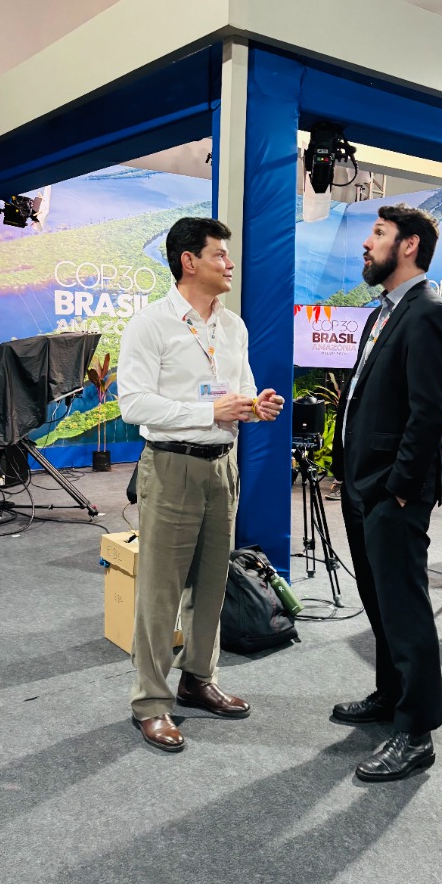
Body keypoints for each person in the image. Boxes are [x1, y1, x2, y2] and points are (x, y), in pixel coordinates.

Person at [117, 216, 285, 752]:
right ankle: (151, 701)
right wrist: (208, 411)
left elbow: (241, 388)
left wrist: (256, 405)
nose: (230, 264)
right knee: (161, 591)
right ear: (189, 261)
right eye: (220, 255)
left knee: (212, 585)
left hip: (222, 466)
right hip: (171, 467)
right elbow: (133, 404)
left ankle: (198, 678)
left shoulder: (233, 326)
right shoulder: (151, 325)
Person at [331, 204, 442, 782]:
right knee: (380, 601)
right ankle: (390, 694)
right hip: (363, 485)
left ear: (408, 246)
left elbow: (427, 413)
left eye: (379, 233)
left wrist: (401, 490)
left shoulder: (429, 313)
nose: (368, 243)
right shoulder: (381, 313)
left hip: (393, 492)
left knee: (404, 608)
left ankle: (416, 732)